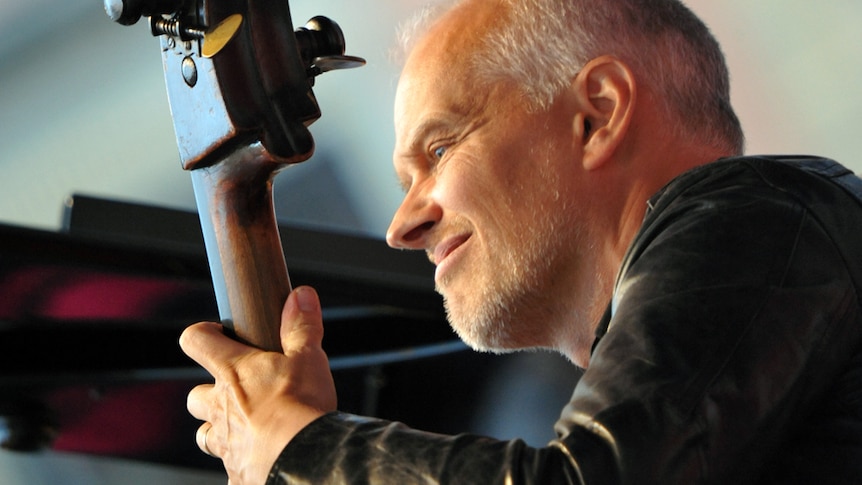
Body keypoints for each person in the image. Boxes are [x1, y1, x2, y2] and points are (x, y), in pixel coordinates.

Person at [179, 0, 862, 483]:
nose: (401, 226)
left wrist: (302, 448)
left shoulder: (762, 218)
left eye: (440, 149)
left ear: (596, 113)